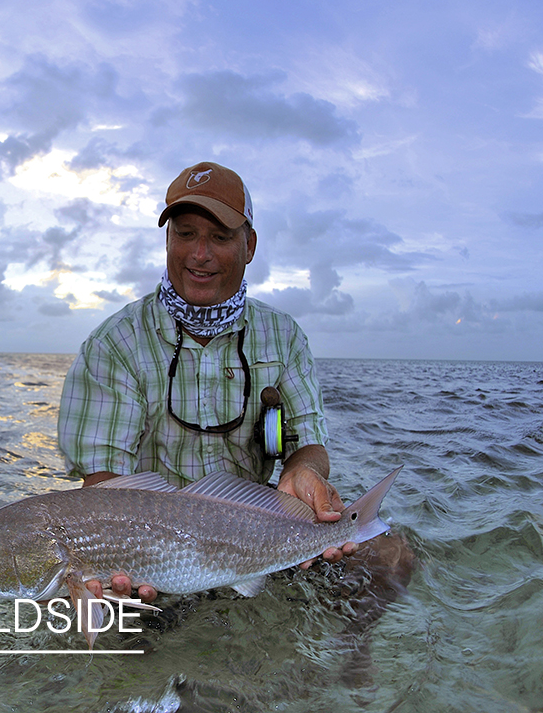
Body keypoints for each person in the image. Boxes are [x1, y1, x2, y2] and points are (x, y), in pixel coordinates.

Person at [58, 161, 358, 603]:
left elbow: (307, 444)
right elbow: (103, 482)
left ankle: (350, 669)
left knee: (392, 557)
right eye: (185, 234)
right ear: (166, 239)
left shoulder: (285, 335)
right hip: (149, 556)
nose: (200, 254)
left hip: (256, 533)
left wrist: (305, 474)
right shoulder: (113, 343)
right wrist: (120, 556)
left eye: (219, 237)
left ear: (249, 245)